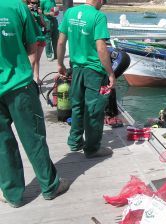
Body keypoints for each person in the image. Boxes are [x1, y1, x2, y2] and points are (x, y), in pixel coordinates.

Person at [0, 0, 69, 208]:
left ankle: (12, 194)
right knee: (34, 137)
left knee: (2, 143)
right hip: (19, 84)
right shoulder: (17, 7)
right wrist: (29, 70)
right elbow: (35, 43)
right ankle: (49, 186)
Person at [57, 0, 116, 158]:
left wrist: (60, 63)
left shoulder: (69, 13)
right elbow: (101, 47)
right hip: (94, 71)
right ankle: (92, 148)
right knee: (94, 110)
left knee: (77, 106)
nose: (103, 3)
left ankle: (75, 142)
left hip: (76, 69)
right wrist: (110, 73)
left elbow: (61, 41)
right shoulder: (98, 17)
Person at [27, 0, 47, 84]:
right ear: (28, 3)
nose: (34, 5)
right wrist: (28, 11)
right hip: (32, 38)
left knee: (37, 60)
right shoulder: (25, 11)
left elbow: (45, 24)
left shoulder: (39, 12)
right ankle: (29, 79)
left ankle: (37, 77)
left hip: (41, 37)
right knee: (32, 60)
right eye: (32, 3)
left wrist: (40, 14)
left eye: (36, 3)